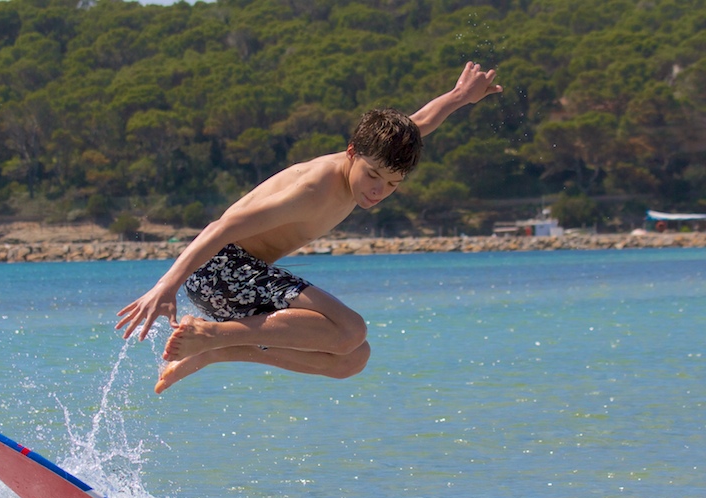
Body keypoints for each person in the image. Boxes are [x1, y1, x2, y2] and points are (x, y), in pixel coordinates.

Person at [117, 62, 502, 393]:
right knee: (351, 330)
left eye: (391, 185)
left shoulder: (375, 157)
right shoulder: (314, 188)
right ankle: (213, 336)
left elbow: (419, 123)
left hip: (240, 276)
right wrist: (164, 286)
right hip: (220, 268)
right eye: (372, 176)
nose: (377, 191)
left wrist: (459, 96)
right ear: (352, 151)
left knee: (351, 359)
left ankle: (214, 348)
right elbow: (221, 227)